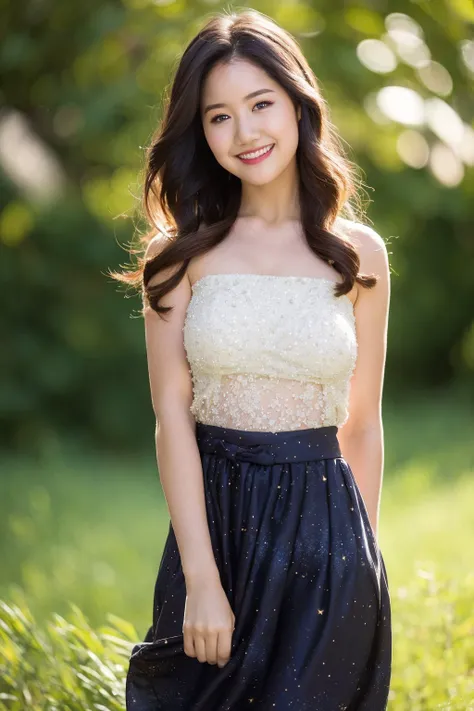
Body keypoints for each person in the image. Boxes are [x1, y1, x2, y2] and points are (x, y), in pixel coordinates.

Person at [113, 8, 392, 710]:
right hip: (217, 531)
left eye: (261, 104)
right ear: (198, 131)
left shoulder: (360, 255)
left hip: (329, 540)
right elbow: (170, 417)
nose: (245, 133)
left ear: (298, 103)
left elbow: (362, 424)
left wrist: (365, 564)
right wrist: (202, 576)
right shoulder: (178, 258)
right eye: (219, 116)